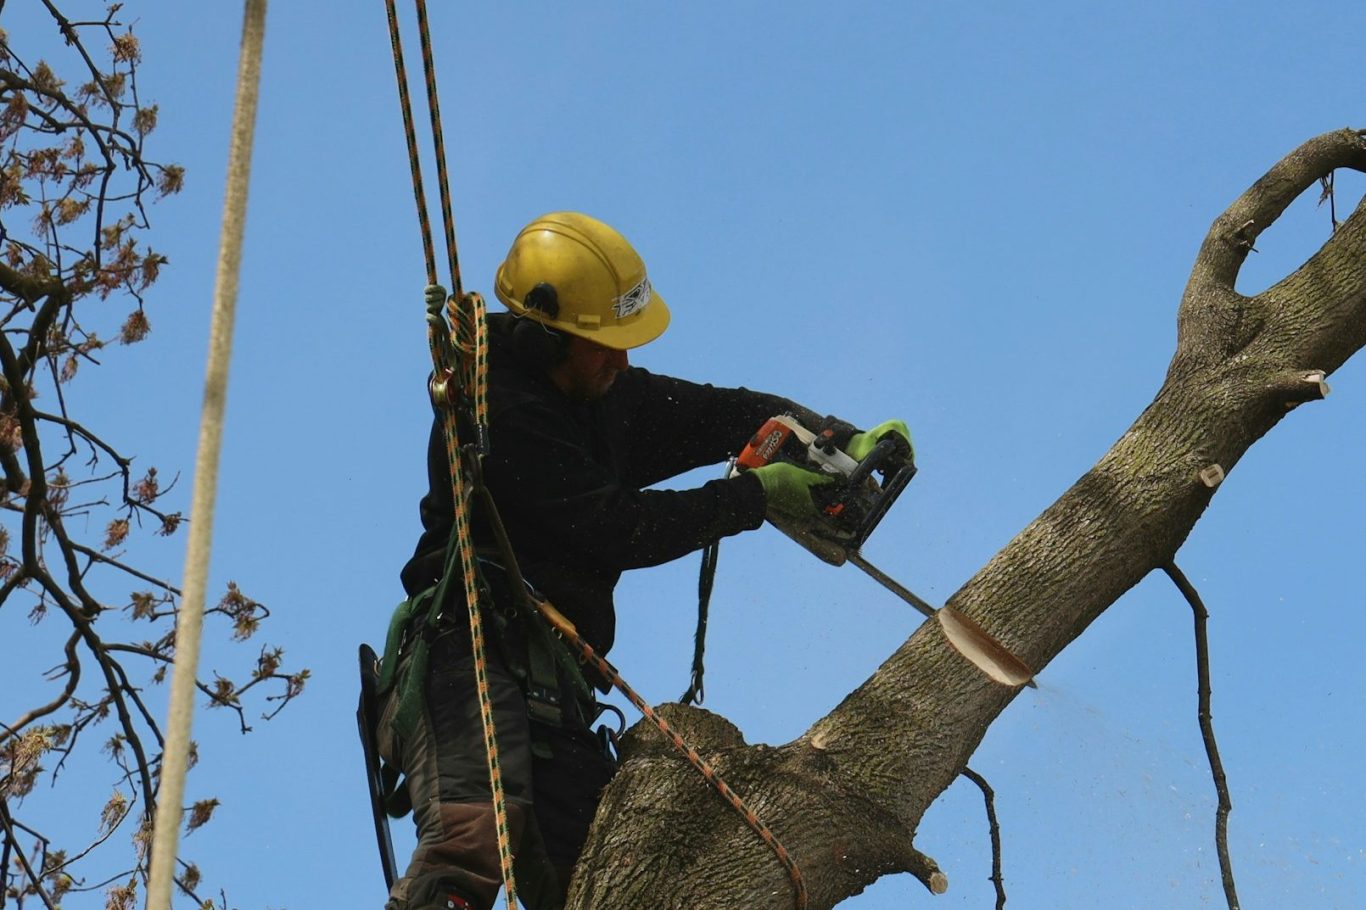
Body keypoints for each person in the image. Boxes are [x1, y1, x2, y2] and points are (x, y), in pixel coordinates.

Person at [378, 212, 909, 910]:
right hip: (465, 657)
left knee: (611, 881)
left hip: (554, 695)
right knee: (467, 845)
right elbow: (620, 529)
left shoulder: (600, 394)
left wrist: (835, 438)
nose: (621, 362)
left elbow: (728, 414)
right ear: (546, 338)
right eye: (604, 347)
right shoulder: (499, 412)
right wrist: (753, 497)